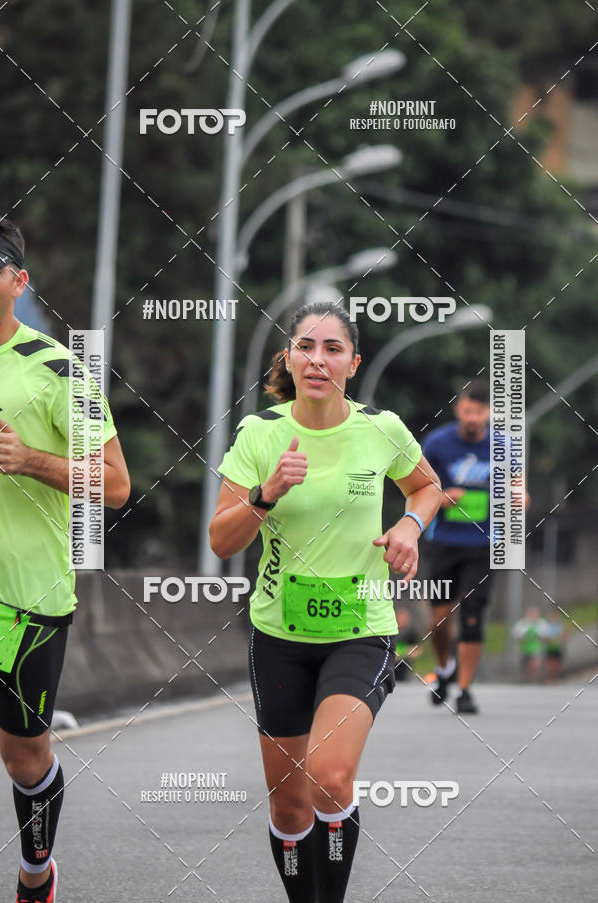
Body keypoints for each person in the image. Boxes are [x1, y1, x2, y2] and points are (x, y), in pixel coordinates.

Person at [209, 301, 441, 902]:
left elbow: (426, 487)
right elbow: (222, 539)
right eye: (306, 347)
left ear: (353, 364)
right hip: (279, 636)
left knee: (329, 777)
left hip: (361, 629)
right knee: (288, 804)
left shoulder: (381, 428)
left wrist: (410, 525)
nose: (318, 360)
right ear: (288, 357)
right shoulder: (259, 433)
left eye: (333, 349)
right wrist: (266, 493)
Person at [0, 218, 131, 903]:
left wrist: (29, 460)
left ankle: (36, 871)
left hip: (27, 598)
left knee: (23, 755)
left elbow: (116, 484)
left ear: (18, 282)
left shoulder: (56, 368)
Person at [421, 380, 492, 715]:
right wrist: (442, 497)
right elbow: (418, 488)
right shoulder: (437, 443)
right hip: (444, 542)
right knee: (439, 618)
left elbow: (517, 486)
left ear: (489, 413)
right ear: (457, 409)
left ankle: (464, 689)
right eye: (467, 410)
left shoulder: (502, 447)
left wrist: (520, 497)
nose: (472, 418)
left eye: (478, 411)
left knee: (473, 616)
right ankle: (445, 667)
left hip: (483, 544)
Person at [512, 607, 550, 683]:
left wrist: (539, 637)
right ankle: (527, 678)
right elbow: (516, 635)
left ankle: (533, 678)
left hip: (537, 647)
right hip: (524, 648)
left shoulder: (542, 623)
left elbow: (546, 635)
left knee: (534, 663)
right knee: (526, 664)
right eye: (531, 614)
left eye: (534, 613)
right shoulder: (522, 623)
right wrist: (524, 637)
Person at [393, 608, 422, 681]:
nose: (403, 620)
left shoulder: (412, 633)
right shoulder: (391, 632)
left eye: (404, 618)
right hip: (390, 666)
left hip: (403, 668)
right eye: (401, 618)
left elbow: (417, 651)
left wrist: (402, 654)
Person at [543, 609, 566, 682]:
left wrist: (560, 639)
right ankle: (550, 678)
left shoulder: (561, 625)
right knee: (550, 664)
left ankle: (554, 677)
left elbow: (564, 635)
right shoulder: (548, 626)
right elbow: (544, 636)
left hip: (558, 647)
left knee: (557, 664)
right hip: (549, 647)